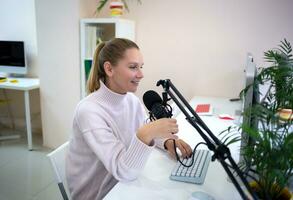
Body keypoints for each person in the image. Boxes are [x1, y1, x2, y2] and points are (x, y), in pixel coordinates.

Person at [66, 38, 192, 200]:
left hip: (122, 183)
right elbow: (124, 171)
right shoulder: (89, 111)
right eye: (133, 67)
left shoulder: (130, 100)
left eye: (141, 67)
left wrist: (166, 142)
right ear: (109, 69)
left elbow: (146, 131)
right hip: (101, 193)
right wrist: (146, 133)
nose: (141, 74)